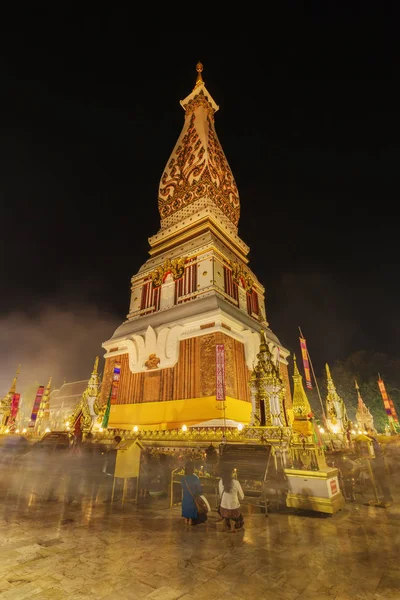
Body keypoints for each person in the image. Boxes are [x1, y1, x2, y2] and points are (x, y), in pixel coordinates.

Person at [366, 428, 393, 504]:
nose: (369, 433)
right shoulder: (373, 440)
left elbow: (376, 450)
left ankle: (387, 497)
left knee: (382, 481)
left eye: (370, 432)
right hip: (377, 463)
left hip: (378, 463)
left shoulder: (373, 441)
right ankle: (385, 496)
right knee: (380, 481)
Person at [218, 465, 245, 532]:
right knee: (235, 514)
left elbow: (220, 495)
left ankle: (224, 526)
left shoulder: (221, 482)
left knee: (226, 511)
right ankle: (233, 527)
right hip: (234, 508)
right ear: (231, 473)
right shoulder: (236, 482)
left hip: (223, 507)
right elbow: (242, 496)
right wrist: (238, 497)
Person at [180, 460, 207, 526]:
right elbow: (199, 489)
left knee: (186, 515)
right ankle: (190, 521)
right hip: (192, 499)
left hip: (185, 499)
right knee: (191, 517)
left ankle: (186, 520)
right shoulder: (195, 478)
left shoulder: (183, 478)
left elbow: (183, 487)